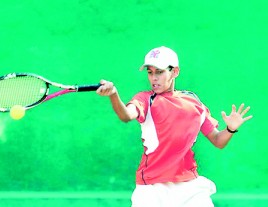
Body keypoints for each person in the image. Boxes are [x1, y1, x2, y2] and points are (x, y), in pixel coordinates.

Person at [96, 46, 253, 207]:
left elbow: (218, 140)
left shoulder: (193, 101)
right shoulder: (144, 99)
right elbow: (126, 115)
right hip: (152, 188)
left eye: (159, 72)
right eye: (150, 72)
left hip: (190, 187)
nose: (153, 78)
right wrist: (114, 94)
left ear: (175, 72)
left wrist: (231, 129)